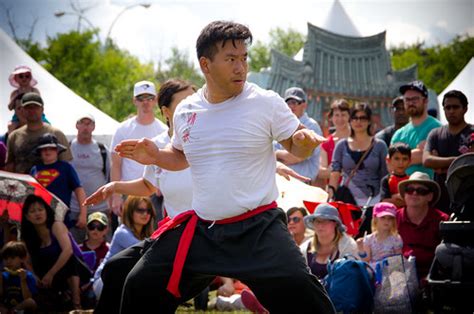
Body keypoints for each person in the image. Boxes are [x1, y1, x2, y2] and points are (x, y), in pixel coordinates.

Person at [104, 21, 333, 313]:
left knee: (306, 296)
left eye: (244, 58)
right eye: (231, 59)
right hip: (204, 231)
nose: (241, 67)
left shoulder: (265, 102)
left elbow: (295, 145)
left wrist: (304, 142)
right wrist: (155, 156)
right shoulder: (187, 109)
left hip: (259, 230)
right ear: (206, 64)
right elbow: (180, 156)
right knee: (140, 284)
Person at [84, 78, 312, 314]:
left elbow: (239, 157)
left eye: (194, 96)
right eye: (185, 99)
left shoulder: (207, 134)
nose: (194, 102)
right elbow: (148, 185)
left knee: (288, 286)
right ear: (166, 111)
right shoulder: (157, 146)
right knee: (116, 269)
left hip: (209, 236)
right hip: (176, 238)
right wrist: (115, 187)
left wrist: (274, 165)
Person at [109, 80, 167, 223]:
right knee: (127, 237)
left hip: (154, 194)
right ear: (134, 101)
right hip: (128, 192)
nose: (145, 103)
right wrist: (116, 196)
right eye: (141, 98)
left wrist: (162, 185)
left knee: (154, 238)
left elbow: (167, 163)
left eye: (150, 98)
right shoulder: (122, 129)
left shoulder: (163, 130)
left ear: (155, 101)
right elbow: (115, 165)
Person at [20, 195, 91, 310]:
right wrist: (34, 276)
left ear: (46, 211)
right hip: (46, 276)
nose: (38, 213)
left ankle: (76, 303)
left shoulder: (56, 225)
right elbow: (26, 261)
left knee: (69, 259)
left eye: (40, 209)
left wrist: (50, 274)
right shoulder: (27, 236)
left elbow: (68, 250)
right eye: (32, 211)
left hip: (74, 270)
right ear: (27, 217)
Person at [92, 196, 155, 300]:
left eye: (148, 210)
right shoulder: (122, 233)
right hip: (103, 282)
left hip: (121, 281)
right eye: (140, 210)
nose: (145, 214)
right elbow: (147, 251)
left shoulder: (147, 235)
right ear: (130, 212)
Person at [328, 103, 388, 206]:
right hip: (347, 200)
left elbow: (384, 174)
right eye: (355, 118)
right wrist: (331, 196)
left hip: (374, 200)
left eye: (363, 118)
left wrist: (384, 199)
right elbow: (335, 173)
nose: (358, 121)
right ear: (350, 120)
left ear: (369, 121)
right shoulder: (341, 145)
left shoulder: (380, 145)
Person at [423, 90, 473, 213]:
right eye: (447, 107)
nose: (451, 111)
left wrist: (441, 165)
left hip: (470, 199)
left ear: (465, 108)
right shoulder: (436, 134)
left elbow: (472, 162)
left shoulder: (472, 133)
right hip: (441, 201)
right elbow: (427, 160)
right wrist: (458, 160)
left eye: (455, 107)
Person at [397, 172, 449, 279]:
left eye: (421, 191)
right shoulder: (393, 218)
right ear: (405, 195)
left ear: (430, 196)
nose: (414, 193)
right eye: (410, 190)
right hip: (399, 277)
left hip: (434, 279)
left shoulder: (443, 220)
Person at [30, 133, 87, 229]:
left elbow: (79, 190)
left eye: (51, 148)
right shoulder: (34, 169)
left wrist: (83, 214)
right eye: (44, 149)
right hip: (38, 218)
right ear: (39, 152)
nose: (47, 151)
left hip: (61, 217)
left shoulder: (66, 167)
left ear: (57, 150)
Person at [5, 93, 72, 174]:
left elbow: (66, 166)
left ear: (42, 109)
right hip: (22, 185)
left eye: (35, 107)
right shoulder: (14, 136)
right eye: (28, 107)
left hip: (50, 184)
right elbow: (10, 166)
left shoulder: (56, 134)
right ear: (22, 110)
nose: (32, 110)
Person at [69, 113, 111, 242]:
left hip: (100, 207)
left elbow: (109, 176)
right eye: (82, 123)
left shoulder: (102, 149)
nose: (85, 127)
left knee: (104, 246)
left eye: (89, 124)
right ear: (77, 125)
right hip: (75, 207)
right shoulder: (68, 147)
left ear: (94, 127)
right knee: (76, 246)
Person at [391, 80, 442, 178]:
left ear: (425, 100)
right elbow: (391, 165)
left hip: (428, 189)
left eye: (414, 99)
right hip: (402, 189)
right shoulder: (398, 134)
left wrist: (401, 158)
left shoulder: (437, 128)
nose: (410, 103)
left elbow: (439, 159)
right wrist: (420, 153)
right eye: (407, 99)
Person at [274, 87, 323, 184]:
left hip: (303, 183)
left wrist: (276, 155)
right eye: (288, 103)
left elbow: (296, 157)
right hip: (282, 182)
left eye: (295, 102)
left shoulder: (312, 126)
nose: (291, 106)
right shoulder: (280, 125)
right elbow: (268, 152)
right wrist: (277, 155)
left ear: (304, 104)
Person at [301, 203, 358, 279]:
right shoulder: (304, 249)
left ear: (335, 223)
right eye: (317, 221)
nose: (320, 225)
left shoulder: (349, 246)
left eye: (325, 221)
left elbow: (351, 277)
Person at [317, 99, 351, 185]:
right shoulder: (326, 143)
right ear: (331, 118)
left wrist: (333, 170)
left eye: (343, 115)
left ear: (349, 117)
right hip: (336, 191)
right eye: (336, 115)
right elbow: (321, 172)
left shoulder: (358, 137)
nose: (340, 119)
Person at [7, 65, 48, 134]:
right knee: (10, 126)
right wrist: (16, 98)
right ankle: (11, 142)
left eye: (27, 76)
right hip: (18, 117)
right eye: (21, 76)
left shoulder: (34, 90)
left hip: (36, 114)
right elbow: (10, 107)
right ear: (16, 78)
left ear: (30, 78)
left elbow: (40, 104)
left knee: (47, 125)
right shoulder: (14, 93)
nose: (24, 78)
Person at [0, 241, 37, 313]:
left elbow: (28, 297)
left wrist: (23, 281)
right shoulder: (3, 275)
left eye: (12, 258)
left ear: (22, 259)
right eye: (6, 258)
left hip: (21, 307)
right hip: (6, 305)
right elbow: (0, 296)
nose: (8, 261)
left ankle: (13, 311)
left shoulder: (28, 275)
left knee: (31, 302)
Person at [380, 143, 411, 207]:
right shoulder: (386, 180)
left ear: (409, 161)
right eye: (397, 159)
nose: (401, 162)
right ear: (389, 160)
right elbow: (385, 201)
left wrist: (394, 197)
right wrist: (407, 200)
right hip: (391, 216)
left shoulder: (411, 180)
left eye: (405, 159)